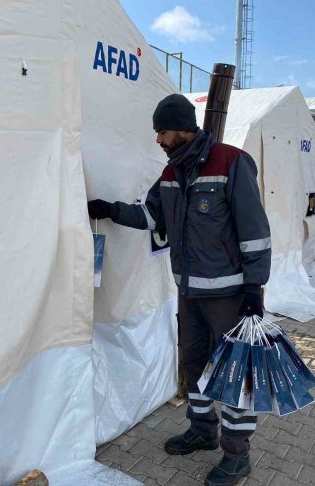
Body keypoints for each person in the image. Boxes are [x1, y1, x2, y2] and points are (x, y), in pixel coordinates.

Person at [87, 94, 271, 486]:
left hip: (229, 296)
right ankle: (202, 429)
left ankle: (237, 456)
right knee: (194, 364)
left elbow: (254, 231)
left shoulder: (231, 162)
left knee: (235, 374)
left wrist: (255, 287)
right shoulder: (172, 174)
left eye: (163, 132)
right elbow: (152, 214)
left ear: (184, 128)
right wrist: (111, 209)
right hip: (188, 293)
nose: (158, 140)